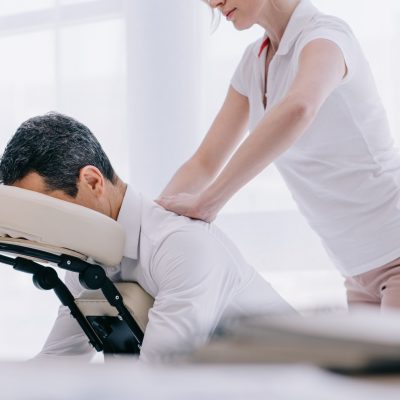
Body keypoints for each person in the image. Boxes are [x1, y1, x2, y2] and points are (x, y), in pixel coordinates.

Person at [156, 0, 400, 311]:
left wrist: (207, 202)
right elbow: (204, 161)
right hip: (355, 270)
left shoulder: (326, 36)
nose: (212, 3)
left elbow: (300, 107)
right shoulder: (253, 64)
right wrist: (151, 225)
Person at [0, 112, 293, 363]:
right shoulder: (85, 262)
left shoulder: (179, 246)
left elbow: (157, 381)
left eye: (47, 210)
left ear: (92, 182)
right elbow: (57, 363)